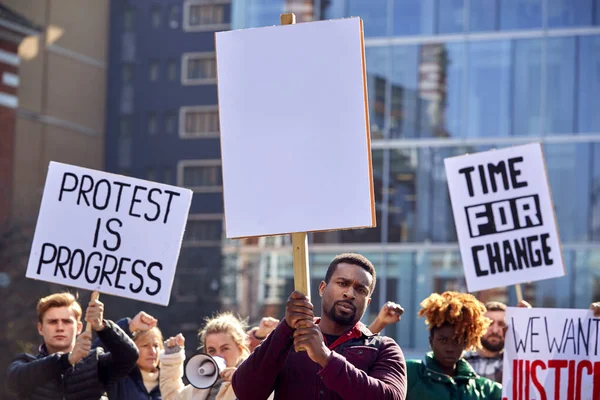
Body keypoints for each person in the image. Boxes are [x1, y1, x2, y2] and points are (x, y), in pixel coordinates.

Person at [232, 252, 407, 399]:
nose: (349, 293)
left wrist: (325, 358)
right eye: (342, 283)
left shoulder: (384, 348)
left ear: (367, 302)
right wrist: (285, 327)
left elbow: (391, 396)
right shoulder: (289, 338)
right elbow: (245, 391)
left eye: (360, 290)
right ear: (322, 288)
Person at [7, 292, 138, 399]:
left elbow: (129, 356)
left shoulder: (96, 362)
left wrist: (102, 327)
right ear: (40, 328)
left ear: (79, 327)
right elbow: (14, 380)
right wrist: (67, 360)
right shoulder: (26, 363)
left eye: (66, 322)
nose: (60, 328)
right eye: (52, 322)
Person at [405, 291, 502, 400]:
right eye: (443, 340)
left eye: (457, 341)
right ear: (431, 341)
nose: (450, 348)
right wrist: (381, 322)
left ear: (466, 343)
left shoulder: (485, 389)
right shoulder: (410, 373)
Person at [159, 312, 275, 400]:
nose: (218, 355)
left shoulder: (255, 377)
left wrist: (243, 382)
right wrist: (172, 359)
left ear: (240, 349)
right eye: (212, 350)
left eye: (225, 349)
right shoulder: (200, 386)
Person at [94, 311, 164, 399]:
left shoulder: (169, 383)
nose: (152, 352)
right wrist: (130, 326)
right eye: (145, 345)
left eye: (156, 346)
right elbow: (94, 356)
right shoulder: (117, 377)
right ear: (131, 347)